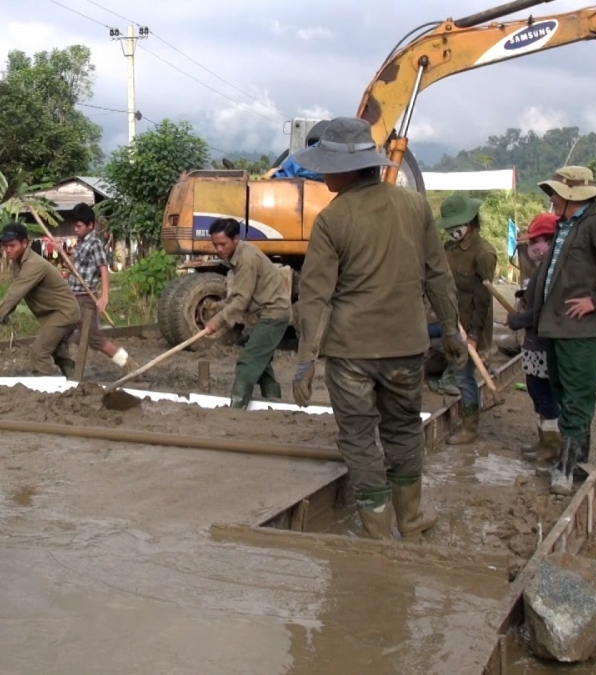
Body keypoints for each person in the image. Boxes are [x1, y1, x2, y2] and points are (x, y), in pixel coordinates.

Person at [291, 117, 466, 540]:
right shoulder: (415, 207)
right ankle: (410, 518)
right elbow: (438, 276)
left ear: (347, 169)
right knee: (404, 428)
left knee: (357, 436)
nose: (324, 173)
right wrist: (452, 328)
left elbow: (315, 296)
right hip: (406, 347)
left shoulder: (332, 220)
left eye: (328, 165)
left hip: (351, 354)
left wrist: (305, 361)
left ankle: (376, 526)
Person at [512, 166, 596, 495]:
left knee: (577, 398)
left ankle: (565, 469)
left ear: (572, 197)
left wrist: (595, 300)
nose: (552, 199)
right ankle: (578, 460)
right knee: (564, 390)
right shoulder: (568, 226)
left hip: (580, 330)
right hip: (558, 327)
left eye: (556, 194)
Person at [203, 217, 292, 409]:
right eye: (215, 245)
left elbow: (242, 300)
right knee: (261, 363)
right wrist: (220, 307)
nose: (218, 249)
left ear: (235, 239)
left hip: (274, 313)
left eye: (222, 244)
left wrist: (217, 322)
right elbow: (239, 294)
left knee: (248, 362)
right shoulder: (239, 255)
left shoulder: (247, 259)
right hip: (267, 312)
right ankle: (274, 405)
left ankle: (236, 409)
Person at [437, 193, 499, 445]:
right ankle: (468, 419)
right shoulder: (449, 248)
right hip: (453, 321)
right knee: (456, 370)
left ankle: (470, 427)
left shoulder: (484, 253)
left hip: (472, 325)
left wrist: (473, 335)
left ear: (470, 222)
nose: (452, 230)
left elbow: (483, 299)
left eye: (456, 224)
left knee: (464, 376)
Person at [0, 223, 82, 376]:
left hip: (63, 313)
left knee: (39, 352)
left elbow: (16, 292)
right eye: (5, 246)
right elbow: (19, 292)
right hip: (54, 313)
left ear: (25, 243)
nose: (8, 250)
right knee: (56, 350)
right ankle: (74, 380)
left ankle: (46, 389)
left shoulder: (34, 265)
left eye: (12, 245)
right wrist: (6, 314)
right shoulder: (18, 264)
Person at [508, 213, 561, 463]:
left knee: (546, 393)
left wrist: (521, 319)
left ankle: (552, 445)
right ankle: (543, 440)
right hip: (533, 342)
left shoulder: (554, 271)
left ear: (550, 241)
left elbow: (546, 309)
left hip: (545, 342)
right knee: (535, 390)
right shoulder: (542, 268)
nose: (532, 247)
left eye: (536, 241)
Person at [64, 203, 139, 375]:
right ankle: (66, 369)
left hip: (85, 298)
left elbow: (103, 268)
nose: (75, 229)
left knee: (95, 339)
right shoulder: (81, 244)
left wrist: (104, 296)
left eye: (79, 226)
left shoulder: (94, 243)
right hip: (73, 296)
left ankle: (129, 365)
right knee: (61, 332)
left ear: (90, 226)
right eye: (74, 225)